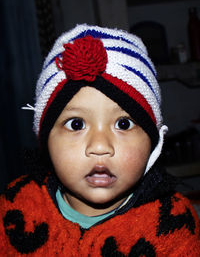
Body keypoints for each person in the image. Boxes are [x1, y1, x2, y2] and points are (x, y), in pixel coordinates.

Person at [0, 24, 199, 256]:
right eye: (76, 124)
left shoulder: (174, 224)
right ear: (45, 141)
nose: (100, 146)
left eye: (123, 124)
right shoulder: (16, 205)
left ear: (153, 142)